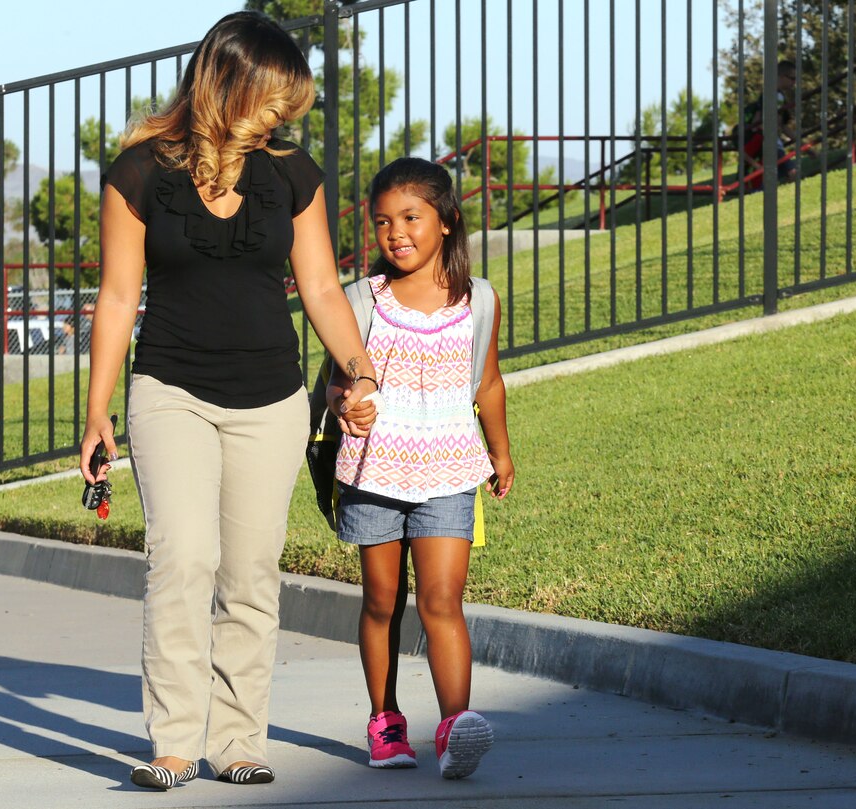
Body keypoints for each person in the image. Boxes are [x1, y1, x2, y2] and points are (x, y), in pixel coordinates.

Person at [79, 11, 379, 791]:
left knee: (249, 571)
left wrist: (359, 370)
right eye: (274, 97)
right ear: (229, 81)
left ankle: (238, 739)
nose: (283, 115)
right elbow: (117, 298)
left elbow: (319, 286)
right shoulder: (140, 172)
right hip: (169, 389)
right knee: (182, 559)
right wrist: (96, 409)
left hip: (271, 398)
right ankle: (175, 743)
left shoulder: (292, 174)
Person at [328, 157, 515, 780]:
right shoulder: (361, 301)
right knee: (383, 601)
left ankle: (456, 727)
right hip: (373, 473)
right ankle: (386, 721)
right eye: (382, 221)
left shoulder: (478, 299)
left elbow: (488, 383)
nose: (395, 232)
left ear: (447, 220)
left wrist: (501, 449)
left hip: (449, 473)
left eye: (411, 217)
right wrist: (343, 403)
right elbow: (333, 386)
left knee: (443, 600)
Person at [739, 59, 800, 190]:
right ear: (781, 76)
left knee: (786, 175)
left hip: (771, 143)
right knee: (791, 173)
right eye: (792, 78)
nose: (794, 83)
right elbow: (761, 119)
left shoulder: (778, 95)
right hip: (769, 142)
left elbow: (781, 124)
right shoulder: (771, 95)